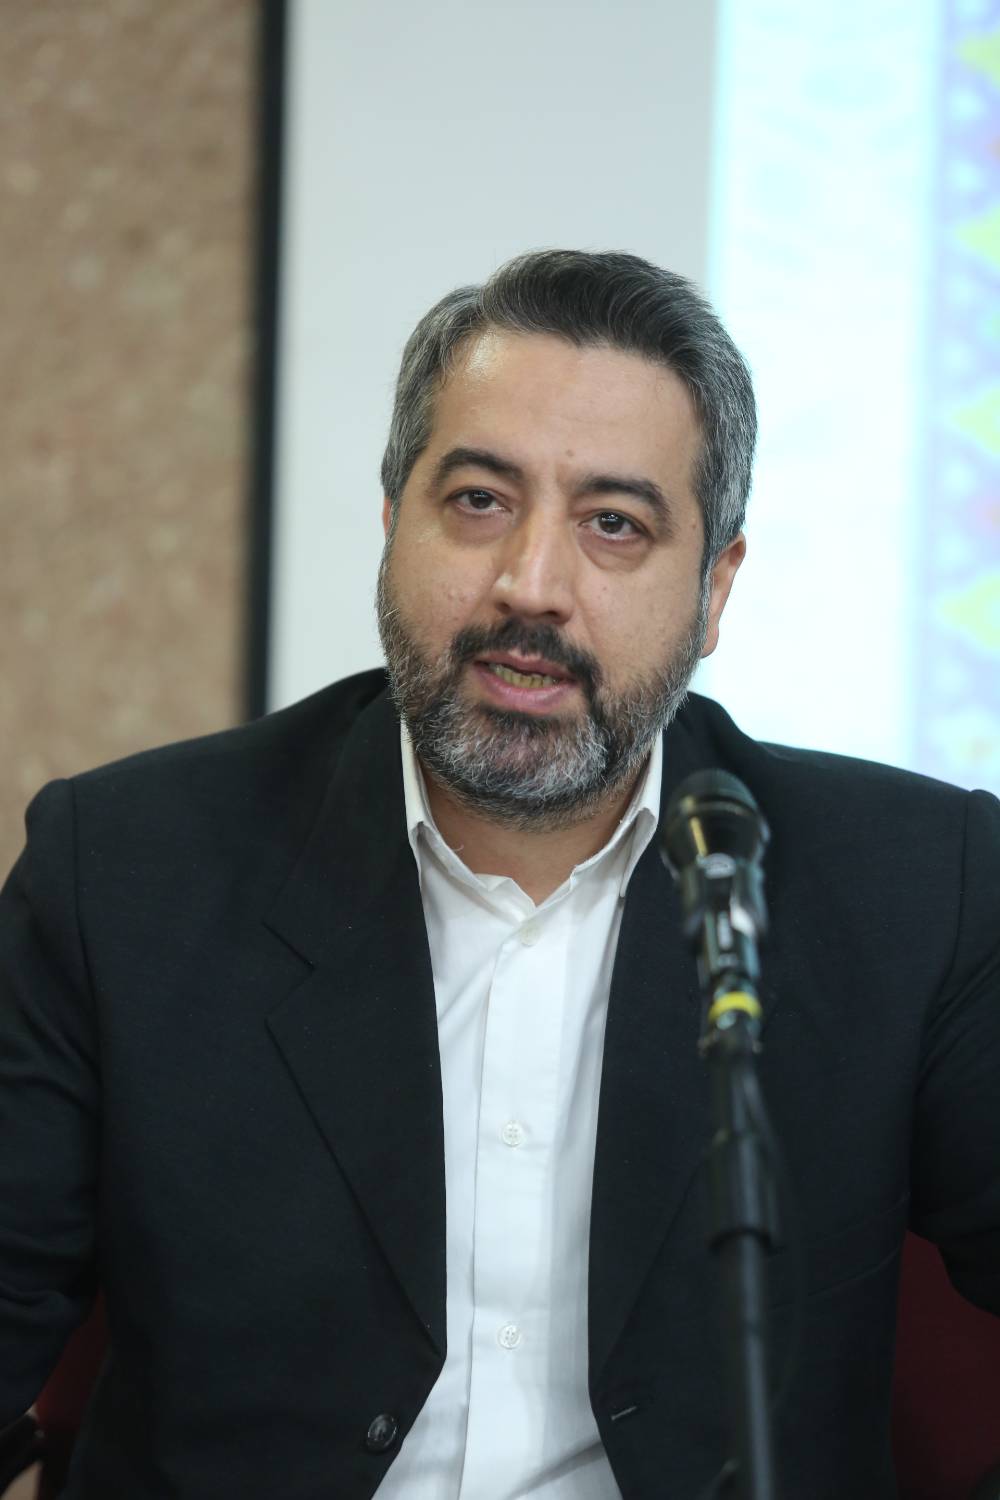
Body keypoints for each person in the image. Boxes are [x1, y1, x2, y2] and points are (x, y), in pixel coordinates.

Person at [0, 249, 998, 1500]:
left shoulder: (912, 893)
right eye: (478, 501)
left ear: (714, 589)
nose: (531, 586)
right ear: (391, 525)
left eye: (614, 525)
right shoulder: (127, 874)